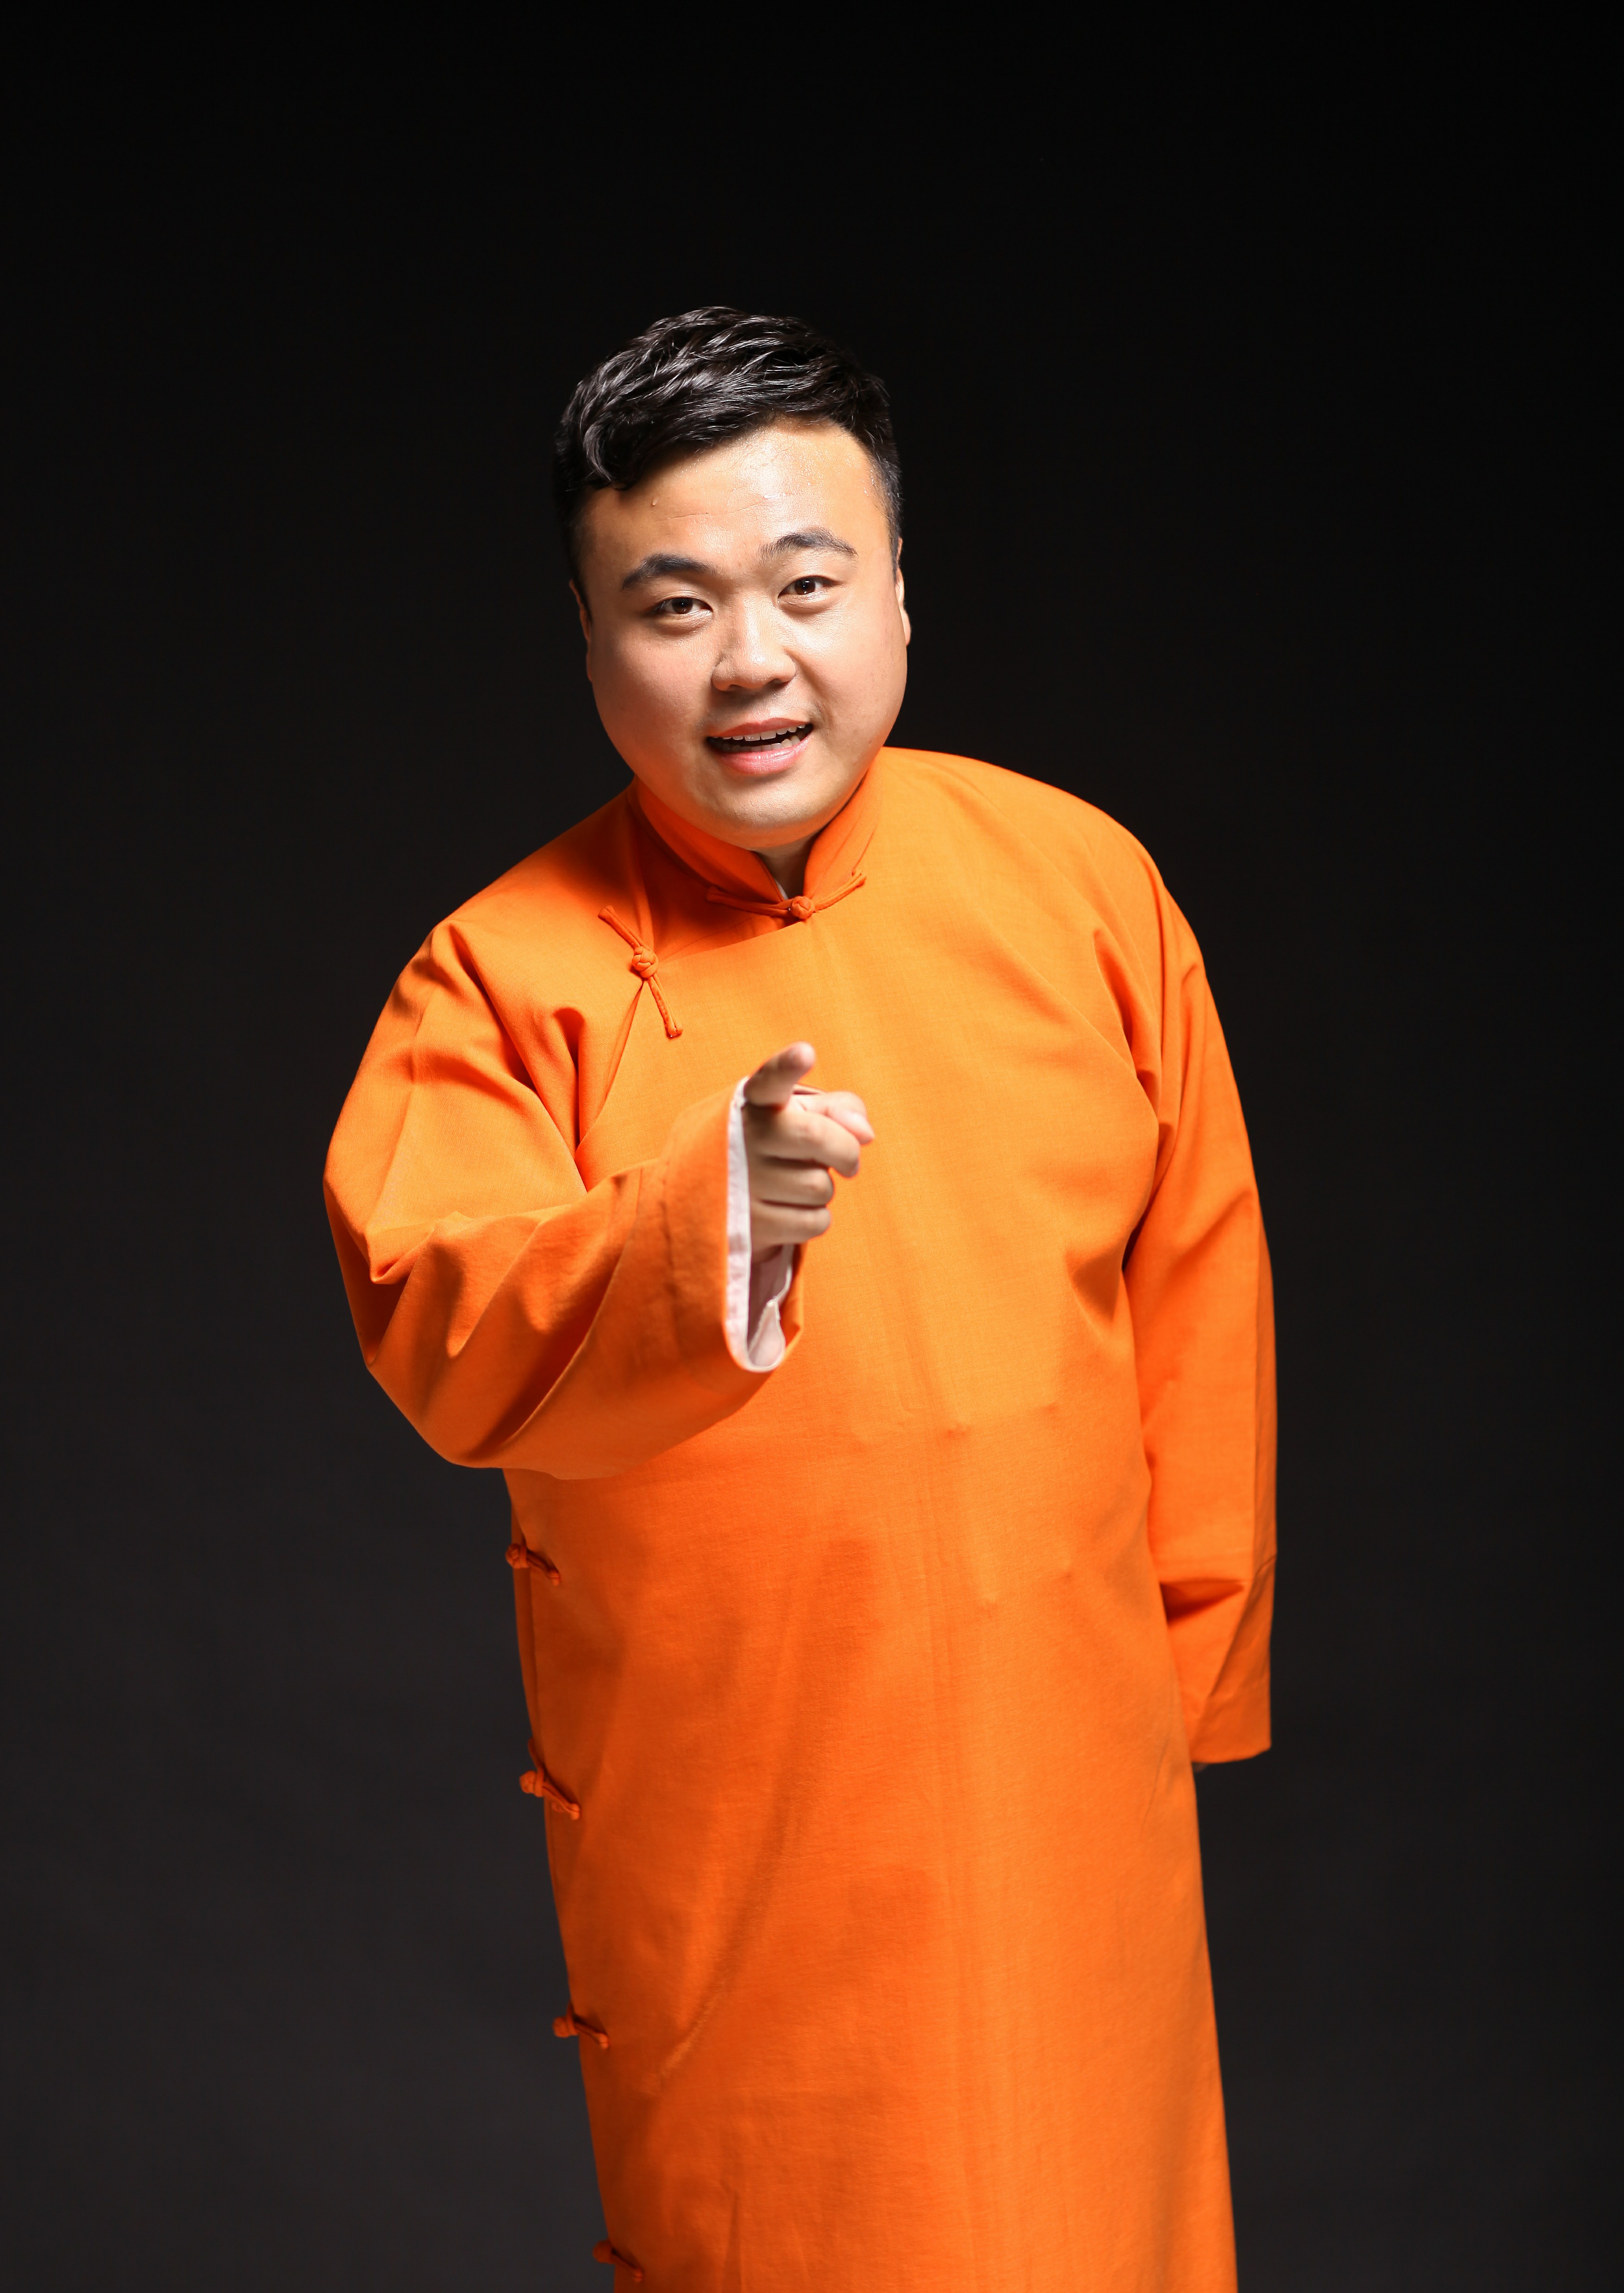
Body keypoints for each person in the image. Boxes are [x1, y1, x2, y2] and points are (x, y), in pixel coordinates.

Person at [325, 307, 1276, 2290]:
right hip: (746, 1818)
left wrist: (1177, 1687)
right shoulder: (499, 974)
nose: (750, 659)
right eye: (673, 606)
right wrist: (702, 1224)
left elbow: (1198, 1308)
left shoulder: (1079, 885)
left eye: (806, 585)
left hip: (1066, 1777)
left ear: (900, 591)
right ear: (591, 640)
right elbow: (440, 1311)